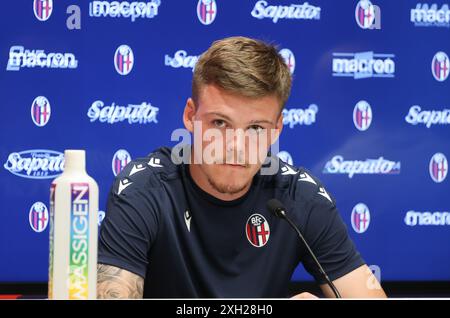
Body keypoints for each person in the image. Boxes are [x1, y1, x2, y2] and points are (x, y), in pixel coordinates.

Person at [97, 36, 387, 299]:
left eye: (256, 128)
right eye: (220, 123)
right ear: (190, 116)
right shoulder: (145, 189)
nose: (236, 145)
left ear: (276, 129)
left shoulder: (298, 196)